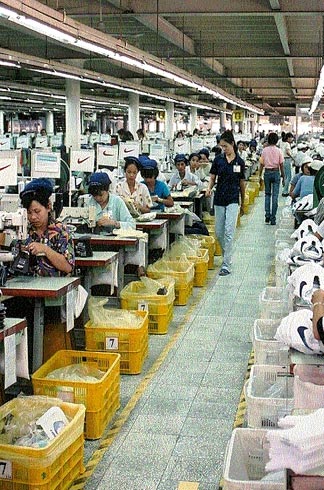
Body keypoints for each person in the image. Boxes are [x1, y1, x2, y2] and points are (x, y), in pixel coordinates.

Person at [205, 130, 245, 276]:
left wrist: (243, 200)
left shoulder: (239, 162)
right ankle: (226, 254)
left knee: (229, 232)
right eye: (222, 146)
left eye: (225, 146)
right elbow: (212, 178)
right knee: (219, 232)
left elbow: (242, 182)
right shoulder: (218, 160)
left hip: (233, 199)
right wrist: (209, 189)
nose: (223, 149)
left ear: (232, 144)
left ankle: (226, 264)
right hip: (219, 199)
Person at [19, 178, 74, 276]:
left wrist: (45, 250)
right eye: (29, 213)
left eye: (37, 211)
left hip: (56, 288)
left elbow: (68, 267)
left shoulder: (61, 232)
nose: (33, 217)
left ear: (48, 207)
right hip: (26, 287)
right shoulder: (22, 231)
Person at [258, 132, 284, 225]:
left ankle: (267, 215)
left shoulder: (264, 150)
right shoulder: (279, 150)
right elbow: (281, 165)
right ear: (277, 141)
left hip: (267, 173)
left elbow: (261, 164)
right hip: (276, 172)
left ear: (268, 140)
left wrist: (259, 176)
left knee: (267, 194)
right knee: (275, 196)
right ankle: (273, 218)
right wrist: (284, 177)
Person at [280, 132, 295, 196]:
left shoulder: (282, 143)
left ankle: (284, 190)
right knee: (289, 176)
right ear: (288, 138)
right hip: (287, 160)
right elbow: (288, 152)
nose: (292, 139)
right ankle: (285, 191)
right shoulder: (287, 144)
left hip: (282, 160)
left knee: (285, 176)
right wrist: (293, 158)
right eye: (291, 138)